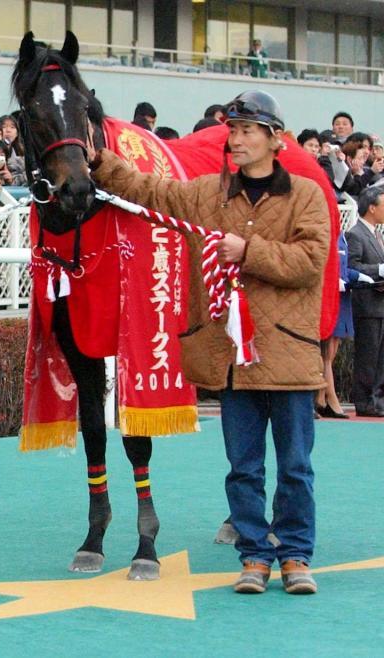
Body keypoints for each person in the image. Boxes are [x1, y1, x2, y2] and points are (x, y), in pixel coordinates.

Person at [91, 90, 328, 595]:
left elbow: (310, 262)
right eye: (232, 132)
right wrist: (97, 158)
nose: (235, 141)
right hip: (230, 361)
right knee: (242, 469)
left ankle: (295, 555)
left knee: (295, 467)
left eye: (246, 132)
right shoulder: (206, 193)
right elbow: (147, 190)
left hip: (287, 354)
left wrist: (249, 251)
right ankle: (254, 557)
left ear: (275, 140)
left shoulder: (306, 195)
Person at [315, 229, 364, 418]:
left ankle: (322, 398)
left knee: (332, 351)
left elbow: (342, 267)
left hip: (341, 297)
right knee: (325, 352)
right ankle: (329, 397)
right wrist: (332, 280)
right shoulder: (323, 231)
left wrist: (357, 276)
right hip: (327, 295)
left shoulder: (340, 234)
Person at [346, 186, 384, 416]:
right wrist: (379, 269)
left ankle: (377, 400)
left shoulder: (377, 234)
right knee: (368, 357)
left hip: (380, 305)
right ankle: (364, 401)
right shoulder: (355, 233)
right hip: (367, 306)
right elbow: (352, 267)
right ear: (372, 208)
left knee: (380, 359)